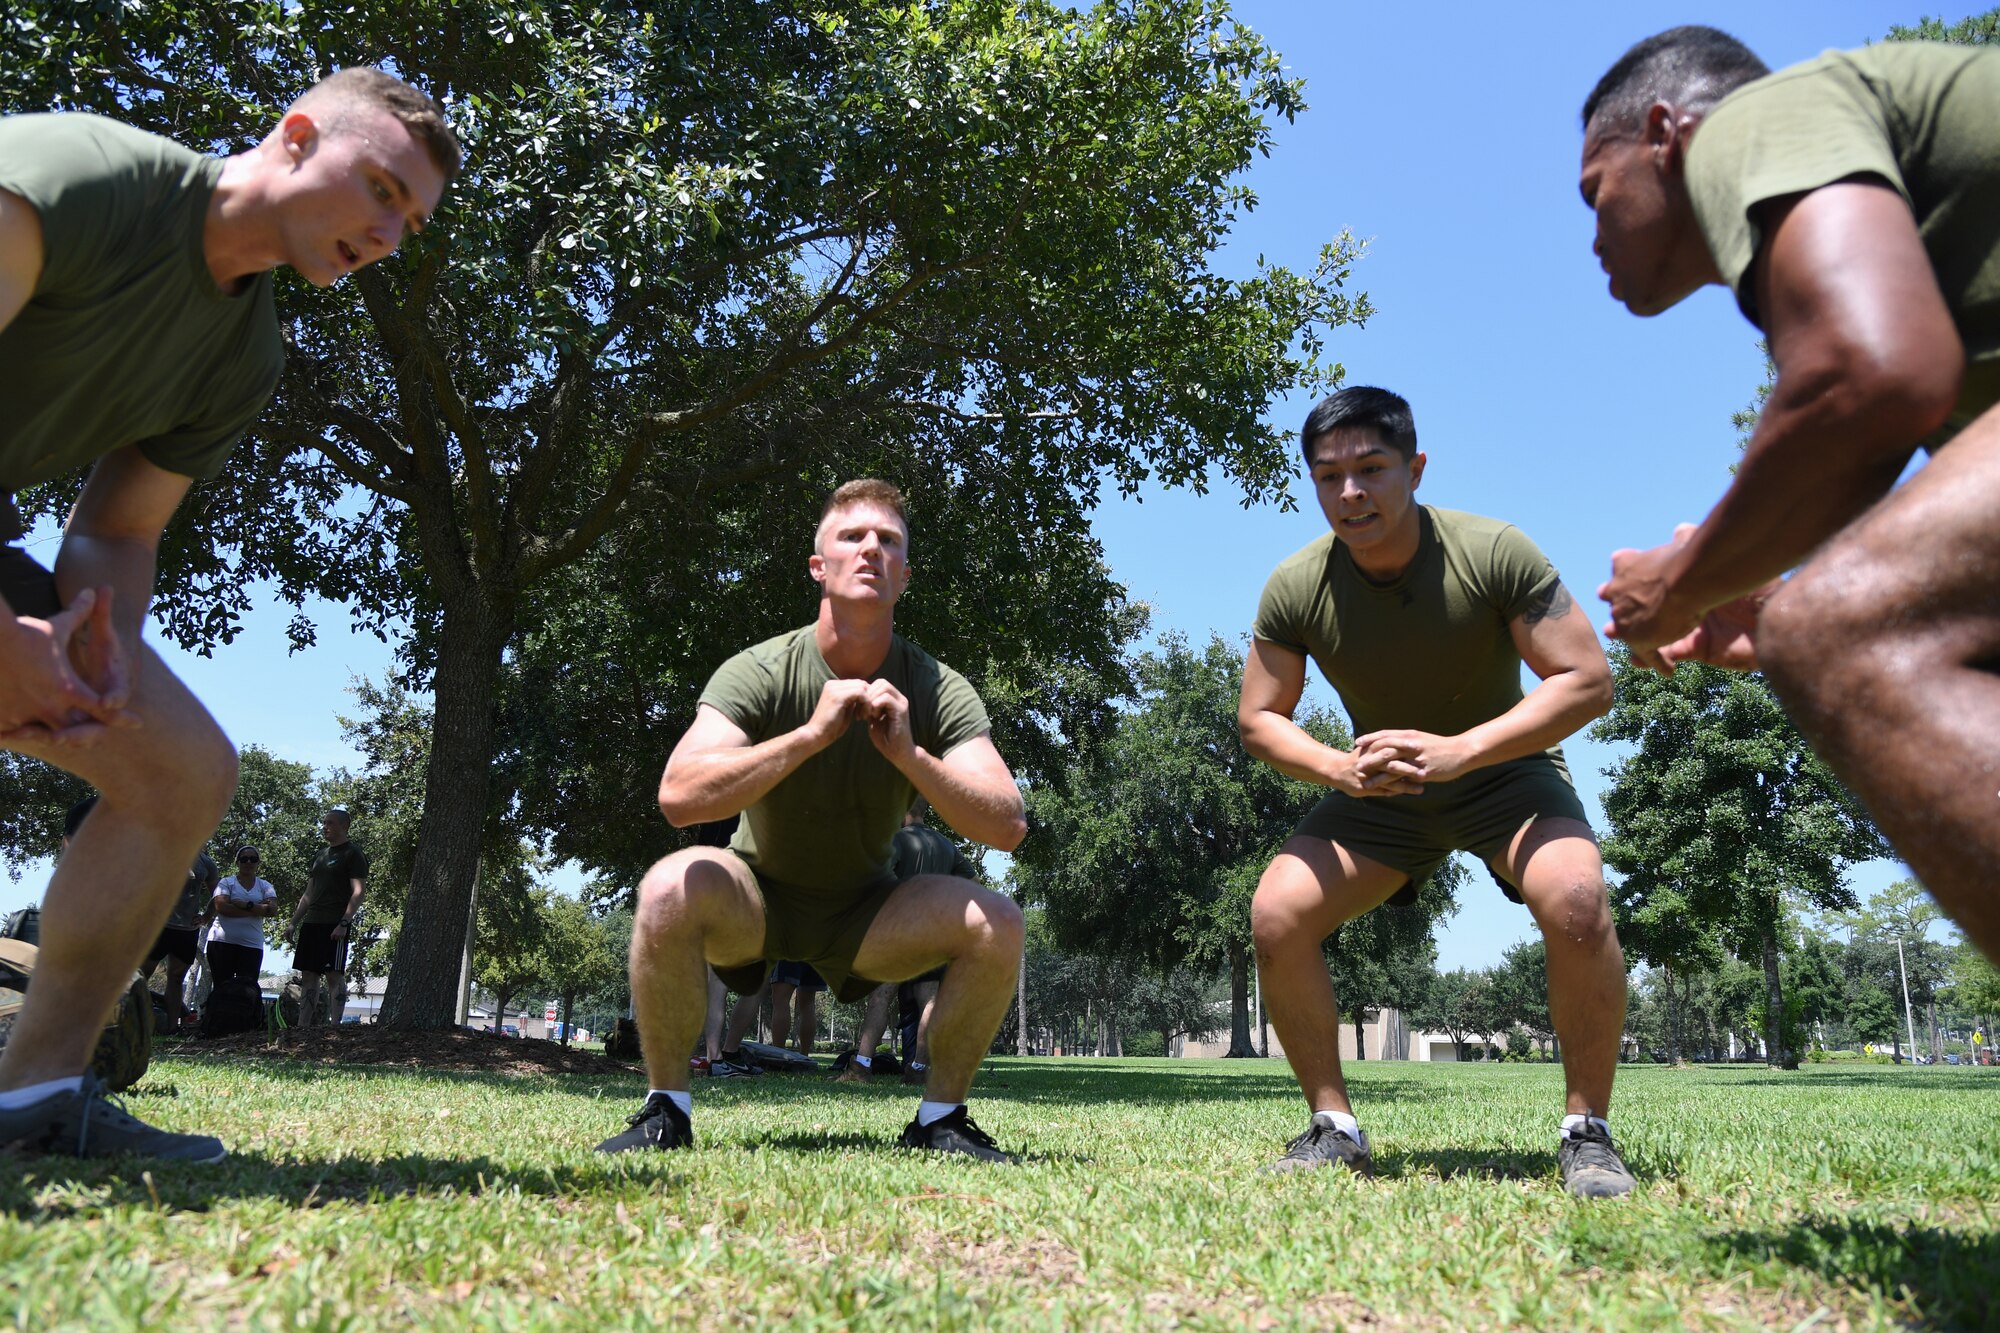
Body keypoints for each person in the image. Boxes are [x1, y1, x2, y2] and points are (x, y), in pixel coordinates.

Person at [0, 73, 456, 1160]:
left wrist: (99, 643)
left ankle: (34, 1098)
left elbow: (118, 530)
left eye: (413, 220)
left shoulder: (243, 357)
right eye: (381, 188)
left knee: (183, 770)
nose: (390, 233)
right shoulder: (84, 180)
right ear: (295, 137)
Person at [1580, 27, 2000, 964]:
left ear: (1662, 134)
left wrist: (1680, 581)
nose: (1593, 236)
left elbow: (1869, 376)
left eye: (1595, 192)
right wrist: (1771, 605)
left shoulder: (1752, 120)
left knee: (1836, 627)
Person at [1239, 387, 1635, 1197]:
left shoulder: (1495, 551)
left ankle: (1587, 1132)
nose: (1351, 492)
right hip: (1379, 790)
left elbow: (1588, 681)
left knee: (1577, 901)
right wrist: (1338, 768)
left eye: (1371, 468)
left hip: (1505, 774)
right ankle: (1333, 1127)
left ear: (1414, 468)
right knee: (1276, 914)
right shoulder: (1295, 585)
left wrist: (1463, 751)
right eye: (1329, 476)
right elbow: (1259, 719)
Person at [597, 479, 1028, 1161]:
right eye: (852, 536)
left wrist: (911, 755)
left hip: (869, 913)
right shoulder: (761, 669)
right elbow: (678, 794)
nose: (871, 550)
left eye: (888, 541)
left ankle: (940, 1118)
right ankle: (666, 1109)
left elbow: (1007, 823)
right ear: (817, 567)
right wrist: (807, 737)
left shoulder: (936, 685)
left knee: (999, 921)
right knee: (665, 887)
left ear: (905, 577)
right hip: (758, 899)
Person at [840, 805, 963, 1085]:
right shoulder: (947, 845)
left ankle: (861, 1068)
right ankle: (918, 1069)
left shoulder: (895, 840)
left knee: (881, 996)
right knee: (929, 1000)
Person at [284, 809, 368, 1028]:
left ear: (344, 826)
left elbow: (358, 891)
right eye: (324, 823)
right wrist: (293, 922)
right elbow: (308, 893)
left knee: (333, 975)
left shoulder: (353, 853)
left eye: (330, 823)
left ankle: (335, 1027)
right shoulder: (321, 855)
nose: (325, 827)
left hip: (335, 924)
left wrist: (344, 922)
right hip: (312, 922)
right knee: (309, 975)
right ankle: (303, 1027)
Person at [147, 845, 218, 1035]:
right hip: (158, 927)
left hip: (187, 930)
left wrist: (206, 917)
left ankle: (171, 1029)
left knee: (176, 978)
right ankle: (126, 1022)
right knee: (140, 975)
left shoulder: (206, 862)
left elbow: (218, 895)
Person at [206, 847, 276, 991]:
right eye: (244, 859)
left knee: (247, 990)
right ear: (237, 862)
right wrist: (257, 909)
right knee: (221, 988)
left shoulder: (265, 886)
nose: (248, 862)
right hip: (222, 944)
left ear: (258, 863)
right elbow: (222, 908)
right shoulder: (226, 883)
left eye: (253, 859)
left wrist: (245, 904)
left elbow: (272, 910)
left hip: (252, 946)